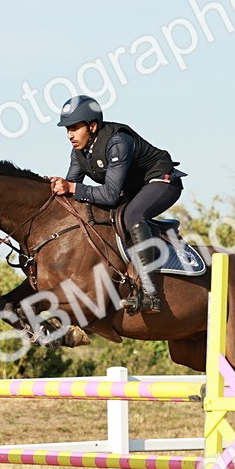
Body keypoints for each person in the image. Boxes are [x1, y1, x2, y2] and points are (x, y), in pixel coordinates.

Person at [48, 95, 185, 314]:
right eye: (67, 129)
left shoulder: (118, 142)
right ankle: (160, 229)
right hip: (134, 189)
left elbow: (110, 195)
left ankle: (150, 295)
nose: (70, 135)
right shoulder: (79, 152)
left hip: (162, 182)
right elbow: (72, 190)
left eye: (74, 128)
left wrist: (72, 188)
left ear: (92, 126)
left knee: (132, 216)